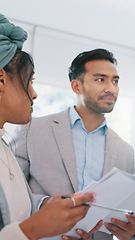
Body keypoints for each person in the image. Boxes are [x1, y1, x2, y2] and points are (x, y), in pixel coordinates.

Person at [11, 48, 135, 240]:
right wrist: (44, 203)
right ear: (76, 86)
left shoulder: (125, 151)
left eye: (115, 81)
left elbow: (125, 211)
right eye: (100, 79)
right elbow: (8, 192)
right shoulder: (31, 129)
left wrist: (131, 232)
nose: (111, 88)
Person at [0, 13, 100, 240]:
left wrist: (50, 214)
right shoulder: (28, 135)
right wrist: (35, 229)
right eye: (30, 81)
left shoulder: (5, 148)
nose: (34, 94)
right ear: (1, 80)